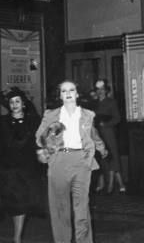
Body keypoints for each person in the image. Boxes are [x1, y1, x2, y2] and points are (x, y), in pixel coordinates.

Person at [36, 80, 107, 243]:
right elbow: (39, 138)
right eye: (63, 91)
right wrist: (51, 136)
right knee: (60, 209)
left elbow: (93, 135)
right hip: (59, 160)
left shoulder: (88, 114)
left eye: (71, 90)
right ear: (60, 95)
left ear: (77, 93)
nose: (68, 93)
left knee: (82, 208)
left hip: (81, 160)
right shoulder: (51, 114)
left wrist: (102, 148)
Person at [0, 88, 43, 243]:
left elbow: (38, 143)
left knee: (24, 201)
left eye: (17, 101)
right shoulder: (0, 122)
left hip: (27, 168)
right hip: (9, 168)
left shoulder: (33, 121)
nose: (14, 105)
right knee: (15, 202)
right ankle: (17, 237)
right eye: (11, 102)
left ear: (23, 103)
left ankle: (17, 236)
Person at [93, 79, 126, 194]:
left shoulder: (111, 102)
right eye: (98, 89)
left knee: (112, 155)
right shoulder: (95, 103)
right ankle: (105, 183)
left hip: (108, 133)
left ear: (106, 90)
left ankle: (115, 184)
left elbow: (117, 118)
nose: (100, 91)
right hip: (97, 133)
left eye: (102, 89)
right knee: (101, 157)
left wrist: (106, 124)